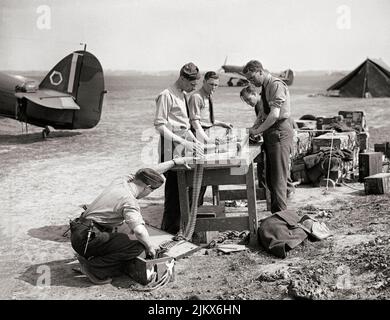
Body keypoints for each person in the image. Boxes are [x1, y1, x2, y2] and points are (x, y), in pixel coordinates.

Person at [70, 157, 192, 285]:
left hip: (79, 232)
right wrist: (150, 246)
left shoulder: (121, 181)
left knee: (122, 234)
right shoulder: (129, 202)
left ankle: (88, 257)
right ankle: (94, 268)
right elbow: (139, 231)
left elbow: (148, 172)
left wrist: (174, 162)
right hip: (87, 240)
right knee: (138, 247)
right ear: (148, 187)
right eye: (151, 191)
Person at [154, 62, 204, 234]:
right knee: (174, 193)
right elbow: (160, 126)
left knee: (186, 189)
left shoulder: (182, 94)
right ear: (182, 78)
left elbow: (184, 126)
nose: (193, 87)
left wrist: (194, 140)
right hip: (170, 146)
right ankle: (169, 231)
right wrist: (183, 142)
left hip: (183, 144)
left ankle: (182, 229)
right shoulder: (166, 95)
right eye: (191, 84)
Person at [241, 60, 294, 213]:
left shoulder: (275, 85)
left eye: (252, 78)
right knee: (270, 180)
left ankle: (282, 219)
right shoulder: (265, 86)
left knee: (279, 180)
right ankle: (276, 216)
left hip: (280, 132)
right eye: (248, 80)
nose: (251, 82)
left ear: (260, 72)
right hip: (271, 133)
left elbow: (274, 115)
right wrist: (253, 128)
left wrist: (256, 132)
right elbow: (263, 114)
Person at [188, 71, 232, 205]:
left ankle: (198, 205)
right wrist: (207, 140)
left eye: (216, 85)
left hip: (206, 132)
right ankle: (192, 208)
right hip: (198, 135)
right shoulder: (197, 97)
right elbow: (195, 123)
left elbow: (206, 119)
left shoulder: (208, 96)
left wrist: (222, 123)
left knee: (206, 173)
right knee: (198, 174)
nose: (214, 87)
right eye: (211, 84)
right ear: (204, 82)